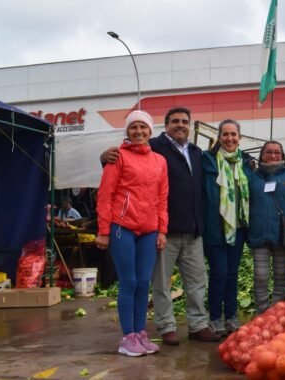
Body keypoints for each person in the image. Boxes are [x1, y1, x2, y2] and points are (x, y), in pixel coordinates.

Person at [101, 107, 221, 345]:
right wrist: (104, 157)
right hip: (159, 229)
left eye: (184, 121)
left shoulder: (196, 152)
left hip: (191, 228)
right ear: (165, 125)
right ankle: (165, 326)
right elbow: (124, 156)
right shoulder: (155, 146)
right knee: (160, 283)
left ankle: (197, 325)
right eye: (175, 121)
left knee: (197, 281)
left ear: (189, 125)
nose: (180, 125)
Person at [96, 110, 168, 357]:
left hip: (149, 230)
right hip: (121, 228)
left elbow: (162, 198)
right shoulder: (118, 157)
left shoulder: (160, 161)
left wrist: (162, 230)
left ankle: (140, 333)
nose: (139, 131)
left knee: (143, 283)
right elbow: (105, 195)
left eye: (143, 127)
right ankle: (127, 338)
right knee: (129, 282)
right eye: (133, 127)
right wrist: (104, 230)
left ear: (150, 131)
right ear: (127, 131)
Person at [202, 119, 253, 333]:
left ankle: (231, 316)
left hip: (238, 227)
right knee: (219, 273)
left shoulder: (247, 163)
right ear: (219, 137)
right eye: (225, 134)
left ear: (239, 138)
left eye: (234, 134)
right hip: (215, 227)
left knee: (232, 273)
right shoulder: (207, 160)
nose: (230, 138)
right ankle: (215, 318)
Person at [247, 141, 285, 313]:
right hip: (258, 235)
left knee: (281, 276)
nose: (273, 155)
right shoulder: (253, 175)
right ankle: (262, 312)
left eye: (277, 152)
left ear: (282, 155)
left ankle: (276, 313)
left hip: (283, 234)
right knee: (260, 276)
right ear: (261, 155)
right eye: (268, 152)